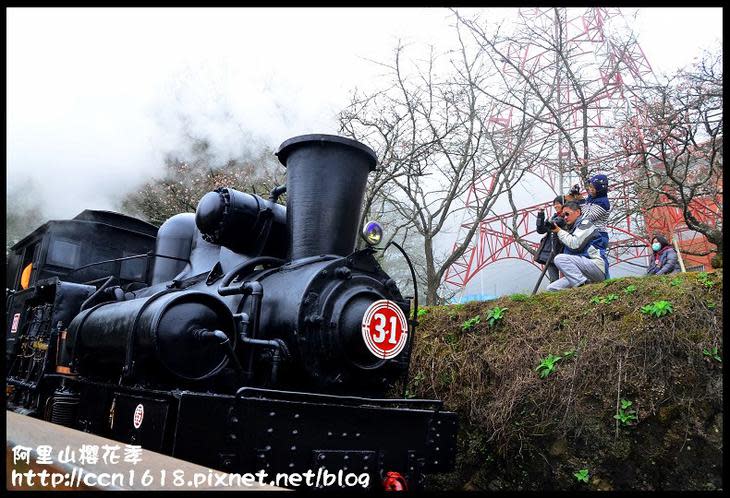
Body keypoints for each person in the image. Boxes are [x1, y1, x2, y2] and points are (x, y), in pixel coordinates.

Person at [546, 201, 610, 291]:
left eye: (567, 214)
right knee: (552, 288)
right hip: (583, 272)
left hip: (596, 266)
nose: (565, 217)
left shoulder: (586, 224)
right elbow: (556, 251)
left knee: (560, 259)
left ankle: (583, 287)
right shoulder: (571, 229)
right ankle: (581, 291)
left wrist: (559, 231)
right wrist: (556, 231)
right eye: (563, 215)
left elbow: (575, 244)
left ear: (577, 212)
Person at [534, 195, 565, 282]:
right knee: (553, 280)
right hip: (550, 252)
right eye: (554, 204)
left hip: (562, 251)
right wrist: (540, 214)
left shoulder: (566, 217)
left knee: (567, 278)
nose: (555, 206)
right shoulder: (554, 218)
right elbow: (541, 230)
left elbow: (552, 225)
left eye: (558, 203)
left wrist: (547, 223)